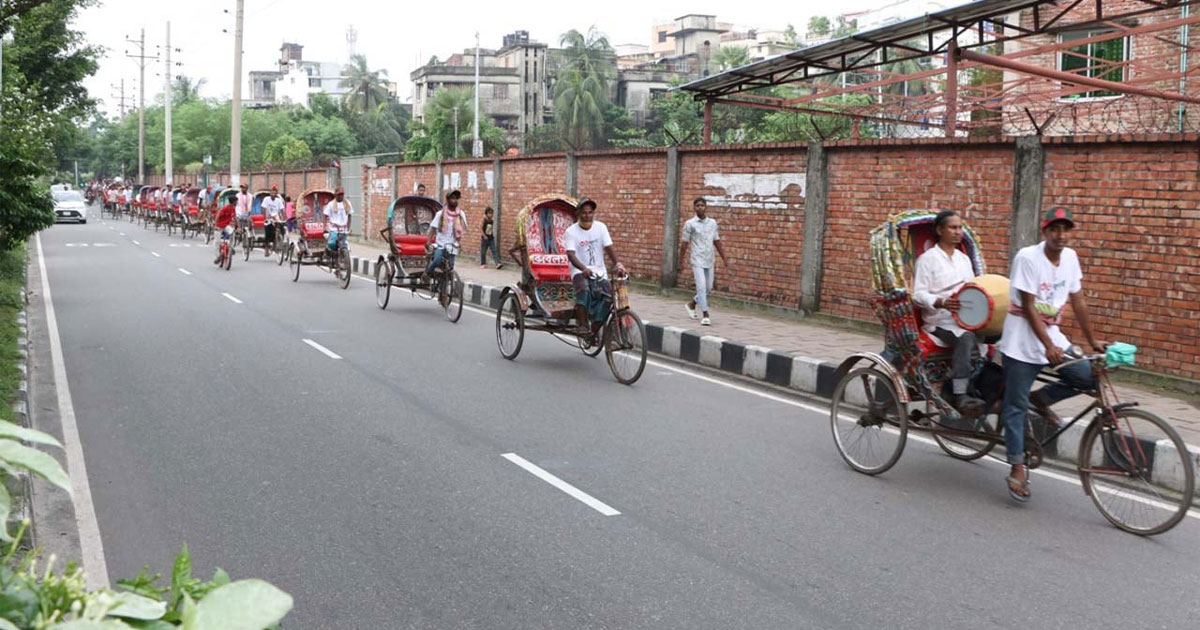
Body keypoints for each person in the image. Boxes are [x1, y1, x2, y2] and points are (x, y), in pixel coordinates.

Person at [998, 207, 1102, 502]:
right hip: (1021, 341)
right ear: (1044, 232)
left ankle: (1042, 398)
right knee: (1014, 406)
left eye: (1066, 229)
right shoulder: (1028, 258)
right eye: (1054, 229)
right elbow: (1029, 306)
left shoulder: (1070, 258)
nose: (1061, 235)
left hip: (1053, 337)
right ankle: (1017, 466)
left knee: (1087, 377)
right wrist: (1047, 346)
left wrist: (1093, 342)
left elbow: (1078, 300)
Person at [911, 209, 987, 423]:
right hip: (939, 321)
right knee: (965, 337)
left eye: (960, 227)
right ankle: (961, 393)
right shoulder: (928, 260)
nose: (957, 232)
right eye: (952, 227)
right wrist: (941, 301)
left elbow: (974, 288)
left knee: (992, 339)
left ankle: (977, 385)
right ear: (939, 230)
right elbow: (918, 294)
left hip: (964, 317)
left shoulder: (964, 259)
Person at [565, 198, 626, 335]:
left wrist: (618, 264)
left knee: (608, 297)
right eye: (584, 213)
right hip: (579, 270)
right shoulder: (571, 232)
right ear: (578, 214)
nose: (587, 216)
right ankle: (583, 324)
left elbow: (609, 248)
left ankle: (595, 327)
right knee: (584, 290)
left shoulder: (601, 227)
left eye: (590, 212)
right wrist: (583, 269)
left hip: (599, 271)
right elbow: (571, 254)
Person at [678, 197, 727, 326]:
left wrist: (724, 257)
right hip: (697, 259)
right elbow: (684, 244)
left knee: (708, 287)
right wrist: (680, 262)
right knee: (701, 285)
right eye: (697, 206)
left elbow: (716, 240)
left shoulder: (712, 223)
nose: (700, 208)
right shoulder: (690, 224)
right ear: (694, 208)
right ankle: (705, 314)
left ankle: (692, 303)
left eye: (702, 205)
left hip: (709, 259)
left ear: (706, 207)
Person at [425, 190, 467, 281]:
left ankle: (444, 289)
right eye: (452, 198)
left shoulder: (461, 214)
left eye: (456, 199)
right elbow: (433, 228)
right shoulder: (440, 214)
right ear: (448, 200)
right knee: (437, 260)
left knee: (450, 268)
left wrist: (460, 242)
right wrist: (428, 242)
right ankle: (428, 273)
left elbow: (462, 230)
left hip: (452, 245)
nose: (454, 200)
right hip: (441, 244)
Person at [212, 196, 238, 264]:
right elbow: (218, 216)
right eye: (236, 201)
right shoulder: (225, 208)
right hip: (219, 226)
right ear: (233, 202)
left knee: (232, 233)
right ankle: (218, 256)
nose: (237, 203)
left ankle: (230, 247)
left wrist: (238, 227)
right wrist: (215, 226)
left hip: (226, 226)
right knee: (217, 241)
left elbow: (234, 218)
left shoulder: (233, 209)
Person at [261, 186, 285, 256]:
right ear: (270, 193)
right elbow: (263, 208)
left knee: (281, 227)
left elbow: (282, 210)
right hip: (268, 217)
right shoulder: (266, 199)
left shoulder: (278, 200)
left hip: (276, 216)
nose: (273, 195)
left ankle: (280, 240)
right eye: (272, 193)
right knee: (268, 234)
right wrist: (265, 217)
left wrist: (284, 217)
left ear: (276, 194)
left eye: (275, 193)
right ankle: (266, 248)